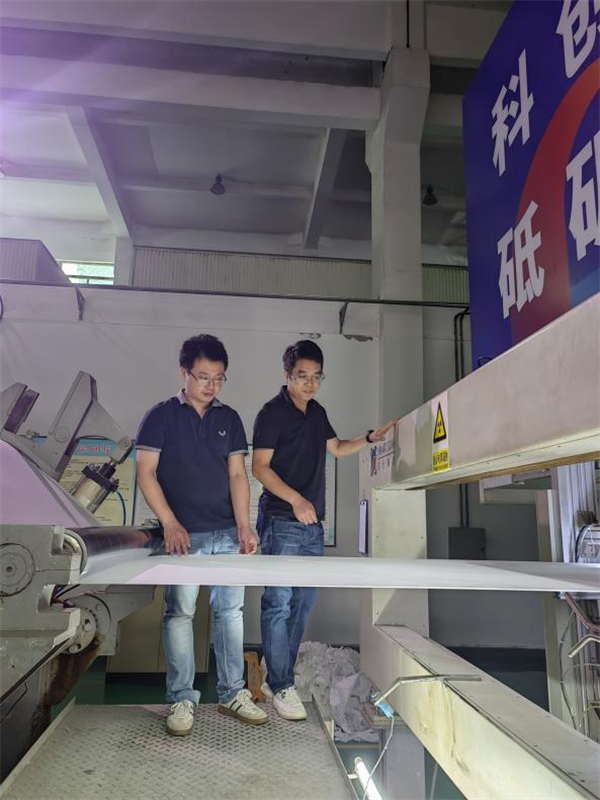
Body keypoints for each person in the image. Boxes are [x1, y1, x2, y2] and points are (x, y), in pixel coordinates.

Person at [252, 339, 396, 721]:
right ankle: (282, 684)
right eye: (302, 376)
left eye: (317, 377)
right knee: (278, 602)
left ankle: (277, 680)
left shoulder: (317, 413)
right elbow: (259, 467)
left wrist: (369, 439)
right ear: (287, 375)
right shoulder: (271, 413)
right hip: (281, 520)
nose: (310, 384)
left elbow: (337, 447)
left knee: (303, 603)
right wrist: (296, 500)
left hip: (312, 525)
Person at [136, 334, 268, 735]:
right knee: (180, 613)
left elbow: (237, 475)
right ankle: (181, 698)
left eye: (219, 378)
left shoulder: (229, 419)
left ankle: (232, 693)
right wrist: (170, 522)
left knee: (230, 613)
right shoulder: (160, 417)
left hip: (227, 533)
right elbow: (146, 473)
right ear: (184, 373)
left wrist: (244, 525)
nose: (211, 386)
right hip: (183, 537)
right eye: (204, 377)